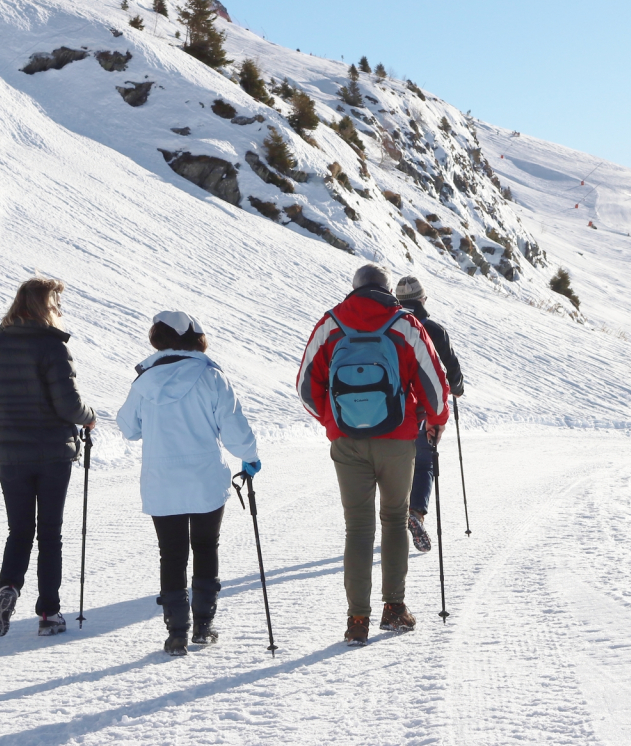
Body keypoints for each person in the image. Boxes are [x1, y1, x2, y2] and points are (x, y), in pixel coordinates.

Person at [297, 264, 450, 646]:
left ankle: (357, 619)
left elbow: (304, 385)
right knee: (395, 519)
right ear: (388, 292)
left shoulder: (330, 324)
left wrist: (333, 422)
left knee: (358, 526)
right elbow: (434, 381)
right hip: (398, 438)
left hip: (347, 441)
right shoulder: (405, 324)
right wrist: (435, 422)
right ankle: (394, 609)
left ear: (354, 290)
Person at [118, 311, 260, 657]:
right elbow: (233, 426)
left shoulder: (144, 381)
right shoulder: (210, 376)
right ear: (195, 337)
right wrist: (249, 456)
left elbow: (128, 428)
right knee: (205, 546)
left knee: (172, 554)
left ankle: (176, 631)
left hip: (161, 482)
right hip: (204, 479)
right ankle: (204, 625)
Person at [0, 277, 97, 638]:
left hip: (10, 455)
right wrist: (89, 415)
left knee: (20, 530)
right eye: (56, 304)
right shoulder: (52, 347)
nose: (59, 310)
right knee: (50, 534)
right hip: (52, 452)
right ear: (47, 307)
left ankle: (8, 587)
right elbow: (68, 404)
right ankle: (49, 615)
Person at [392, 276, 464, 554]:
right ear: (423, 299)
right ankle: (416, 512)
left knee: (396, 465)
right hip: (425, 411)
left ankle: (394, 517)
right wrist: (456, 390)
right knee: (424, 464)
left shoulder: (390, 326)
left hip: (394, 412)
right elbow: (452, 370)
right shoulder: (434, 329)